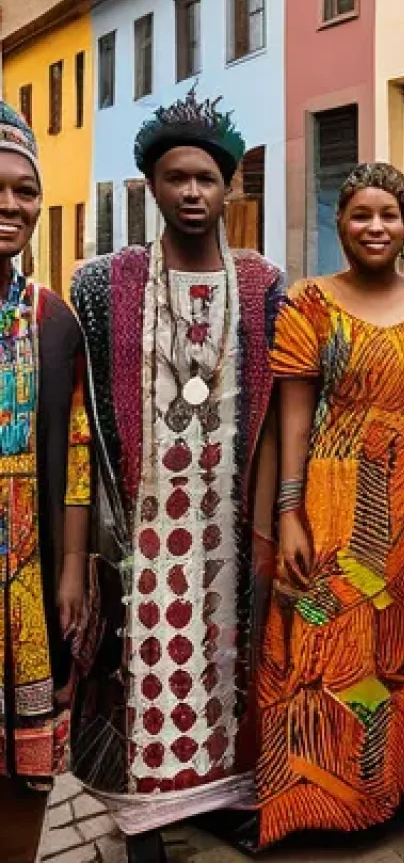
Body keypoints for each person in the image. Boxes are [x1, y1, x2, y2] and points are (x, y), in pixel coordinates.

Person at [70, 89, 284, 863]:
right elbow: (82, 407)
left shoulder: (263, 284)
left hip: (228, 511)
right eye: (175, 178)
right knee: (148, 658)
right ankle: (145, 818)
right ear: (151, 187)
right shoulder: (104, 283)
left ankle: (225, 797)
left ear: (231, 188)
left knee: (228, 656)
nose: (192, 192)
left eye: (206, 178)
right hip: (146, 516)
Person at [255, 163, 404, 846]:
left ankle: (393, 784)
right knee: (325, 637)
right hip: (337, 499)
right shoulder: (310, 305)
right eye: (361, 214)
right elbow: (294, 420)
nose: (375, 227)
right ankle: (322, 798)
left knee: (403, 649)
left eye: (388, 215)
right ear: (338, 223)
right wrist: (288, 511)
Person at [0, 102, 91, 863]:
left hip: (28, 573)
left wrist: (71, 568)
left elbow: (79, 447)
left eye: (25, 190)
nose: (10, 205)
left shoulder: (52, 318)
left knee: (28, 767)